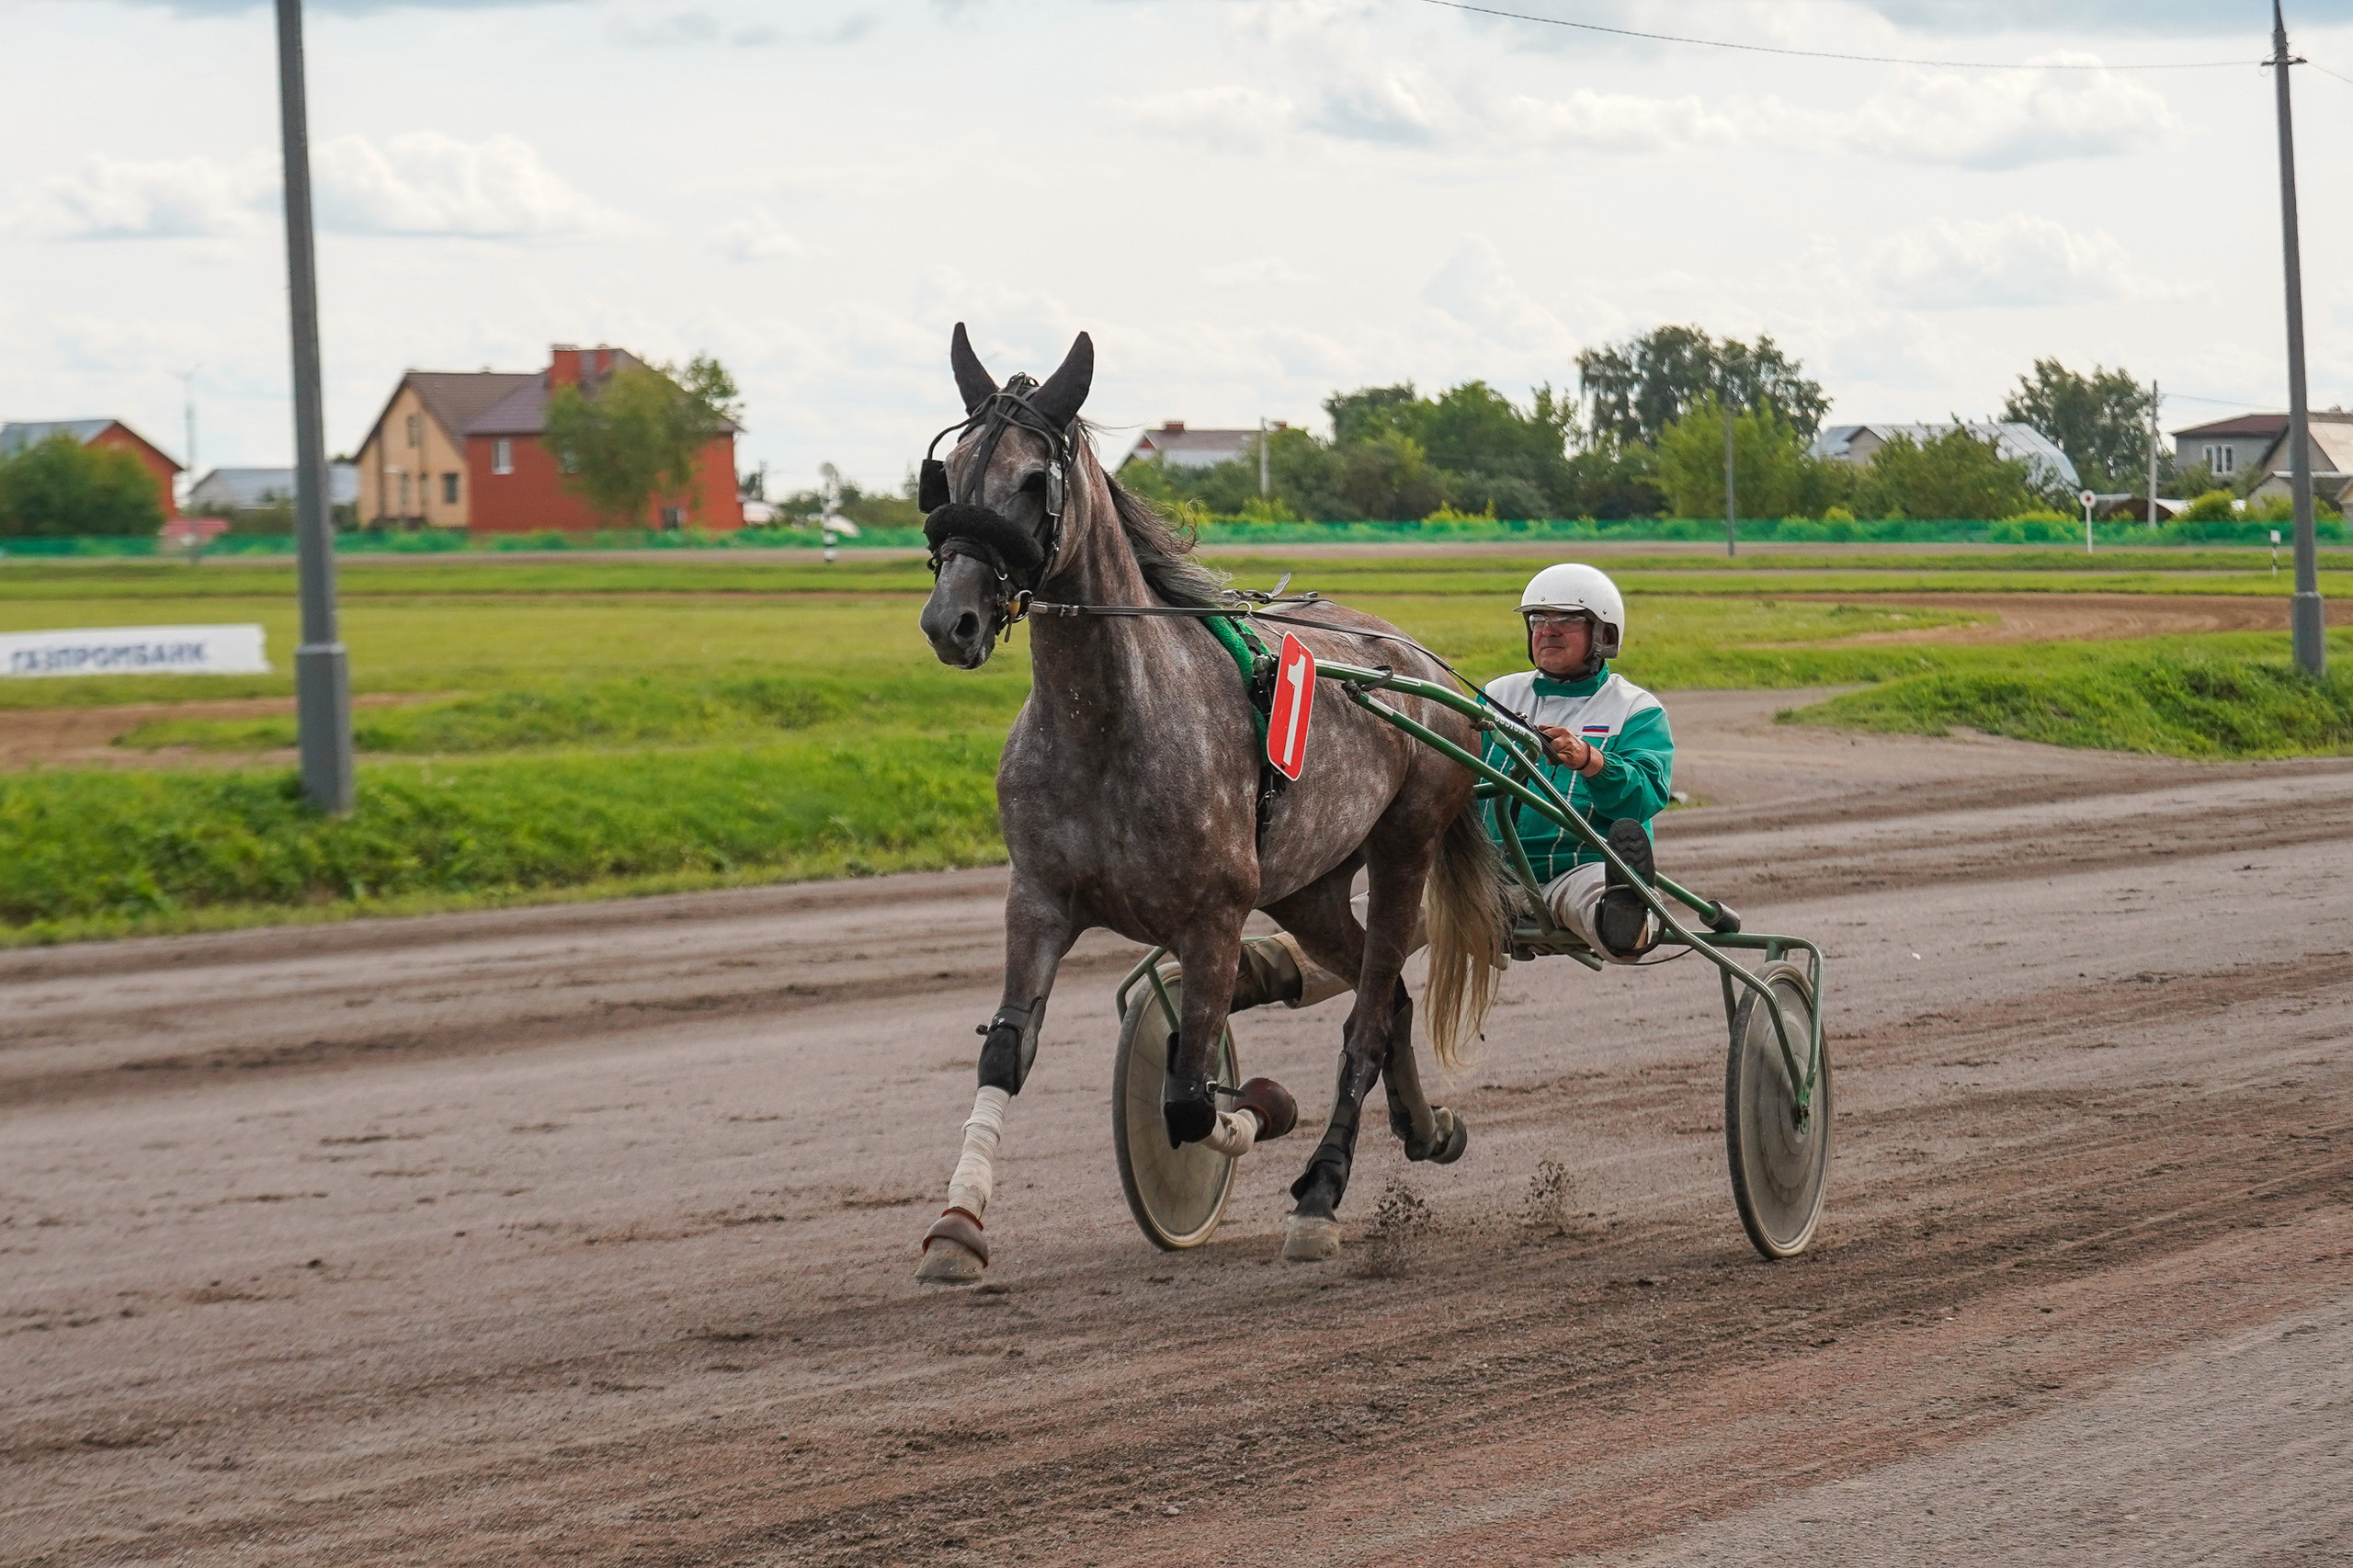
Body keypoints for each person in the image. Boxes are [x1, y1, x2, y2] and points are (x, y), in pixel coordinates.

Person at [1483, 563, 1674, 961]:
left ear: (1603, 635)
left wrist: (1591, 760)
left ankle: (1626, 914)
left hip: (1578, 868)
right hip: (1486, 875)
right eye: (1538, 618)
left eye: (1567, 619)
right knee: (1387, 906)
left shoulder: (1635, 709)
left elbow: (1644, 799)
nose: (1548, 630)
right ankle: (1314, 969)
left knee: (1600, 906)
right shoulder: (1495, 695)